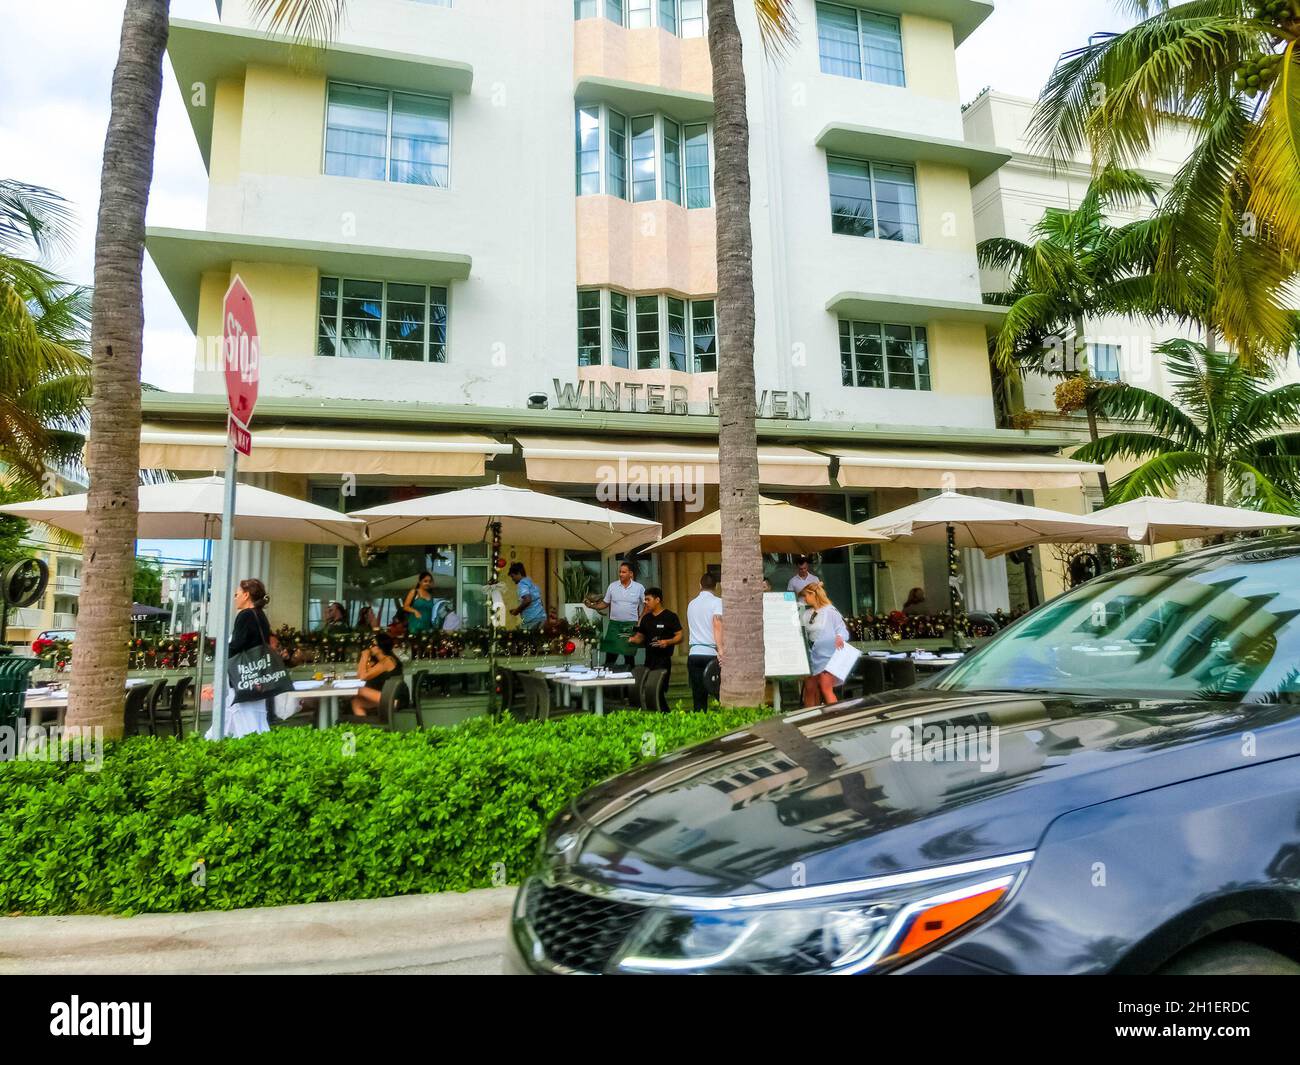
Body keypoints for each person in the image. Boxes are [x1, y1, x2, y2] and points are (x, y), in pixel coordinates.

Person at [206, 577, 274, 739]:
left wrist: (218, 651)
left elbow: (236, 647)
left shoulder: (245, 615)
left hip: (241, 680)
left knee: (240, 721)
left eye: (237, 594)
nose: (235, 598)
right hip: (254, 677)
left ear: (246, 595)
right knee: (248, 720)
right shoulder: (261, 616)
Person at [629, 587, 683, 711]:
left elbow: (680, 635)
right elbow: (640, 637)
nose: (645, 602)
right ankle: (662, 715)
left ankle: (665, 715)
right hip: (649, 660)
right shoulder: (646, 619)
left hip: (663, 661)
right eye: (645, 600)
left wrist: (667, 642)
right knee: (649, 690)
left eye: (648, 599)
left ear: (657, 599)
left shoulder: (670, 616)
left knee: (658, 690)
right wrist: (632, 640)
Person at [800, 581, 850, 708]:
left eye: (806, 595)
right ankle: (809, 718)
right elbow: (801, 632)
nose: (804, 599)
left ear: (814, 594)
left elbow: (842, 630)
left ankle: (835, 718)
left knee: (825, 687)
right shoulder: (806, 614)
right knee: (809, 688)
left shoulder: (831, 611)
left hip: (827, 656)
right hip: (811, 656)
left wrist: (839, 637)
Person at [592, 561, 645, 669]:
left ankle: (630, 681)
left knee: (628, 655)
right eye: (620, 572)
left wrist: (640, 619)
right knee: (610, 655)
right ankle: (607, 681)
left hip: (629, 625)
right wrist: (592, 606)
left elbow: (647, 605)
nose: (621, 574)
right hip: (614, 625)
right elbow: (605, 603)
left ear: (630, 574)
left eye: (624, 572)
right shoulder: (612, 586)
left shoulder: (639, 587)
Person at [686, 573, 724, 712]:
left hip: (694, 653)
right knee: (720, 694)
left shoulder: (691, 604)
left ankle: (700, 723)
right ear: (716, 586)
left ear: (700, 585)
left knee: (698, 697)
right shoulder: (717, 602)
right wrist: (721, 650)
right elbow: (717, 623)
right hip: (711, 654)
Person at [350, 631, 403, 718]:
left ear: (380, 647)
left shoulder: (388, 661)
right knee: (356, 702)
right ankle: (365, 729)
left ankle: (393, 703)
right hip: (385, 695)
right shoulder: (378, 662)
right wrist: (363, 658)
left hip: (395, 697)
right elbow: (359, 676)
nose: (370, 648)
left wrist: (364, 656)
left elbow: (363, 677)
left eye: (373, 645)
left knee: (361, 690)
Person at [507, 562, 546, 631]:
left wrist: (516, 611)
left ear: (518, 573)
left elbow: (527, 600)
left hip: (532, 620)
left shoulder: (522, 584)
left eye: (512, 576)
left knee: (525, 640)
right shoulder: (530, 582)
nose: (512, 579)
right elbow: (539, 601)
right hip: (541, 617)